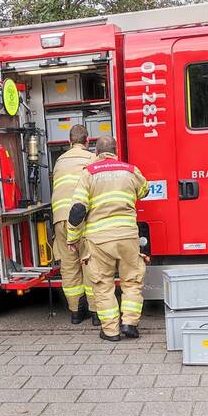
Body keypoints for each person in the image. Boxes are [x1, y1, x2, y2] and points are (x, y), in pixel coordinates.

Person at [66, 135, 148, 341]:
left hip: (99, 239)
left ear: (96, 153)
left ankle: (111, 331)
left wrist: (72, 239)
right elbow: (144, 191)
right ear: (116, 151)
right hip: (128, 236)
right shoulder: (130, 170)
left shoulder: (88, 174)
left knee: (103, 285)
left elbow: (77, 210)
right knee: (132, 280)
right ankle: (130, 323)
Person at [50, 124, 96, 324]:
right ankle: (95, 313)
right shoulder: (92, 158)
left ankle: (76, 313)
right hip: (83, 219)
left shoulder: (59, 161)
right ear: (88, 140)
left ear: (69, 142)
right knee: (90, 264)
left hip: (60, 219)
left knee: (69, 267)